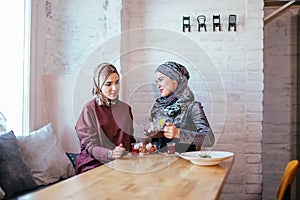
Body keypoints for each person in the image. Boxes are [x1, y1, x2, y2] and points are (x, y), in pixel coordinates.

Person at [75, 63, 136, 174]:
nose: (114, 88)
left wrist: (140, 148)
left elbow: (131, 141)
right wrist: (110, 154)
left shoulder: (126, 109)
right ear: (98, 86)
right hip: (94, 163)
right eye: (108, 84)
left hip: (122, 162)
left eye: (117, 82)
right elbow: (90, 146)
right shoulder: (89, 110)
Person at [148, 61, 215, 153]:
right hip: (160, 163)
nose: (158, 85)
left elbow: (209, 139)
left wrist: (178, 133)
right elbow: (157, 140)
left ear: (175, 80)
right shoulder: (157, 108)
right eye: (157, 82)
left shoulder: (192, 107)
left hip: (184, 163)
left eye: (161, 79)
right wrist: (151, 147)